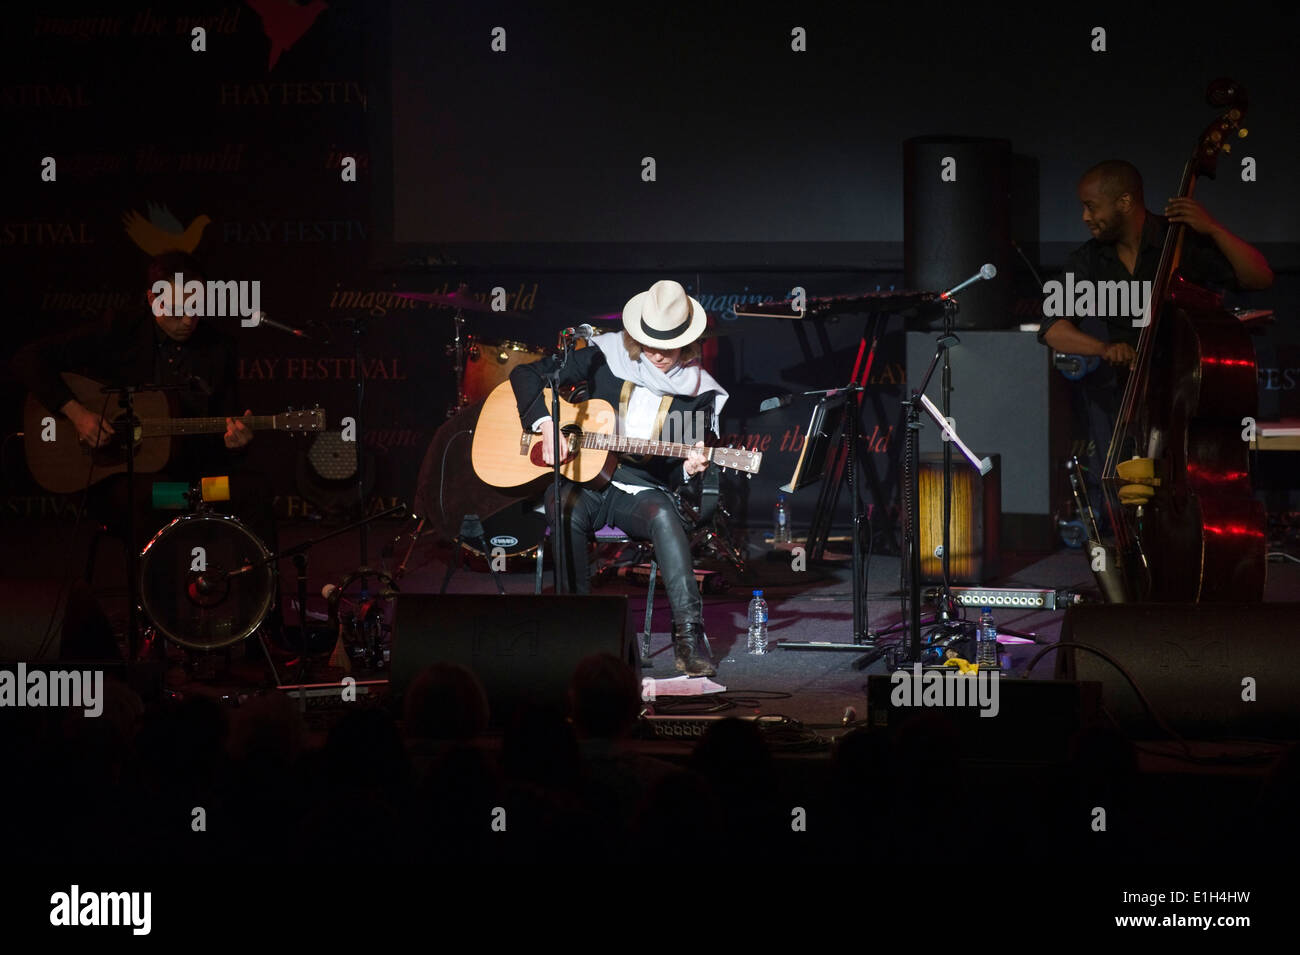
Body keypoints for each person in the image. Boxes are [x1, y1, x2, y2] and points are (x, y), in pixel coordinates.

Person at [13, 252, 277, 630]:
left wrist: (236, 442)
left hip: (196, 485)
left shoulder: (218, 348)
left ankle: (258, 627)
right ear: (152, 298)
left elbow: (225, 431)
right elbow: (26, 360)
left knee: (254, 491)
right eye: (177, 308)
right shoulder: (117, 331)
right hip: (129, 484)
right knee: (149, 497)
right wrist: (76, 412)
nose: (189, 319)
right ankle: (163, 629)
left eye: (198, 306)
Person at [509, 280, 728, 677]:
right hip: (584, 478)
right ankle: (578, 628)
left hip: (640, 489)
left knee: (664, 518)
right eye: (649, 343)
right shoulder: (602, 356)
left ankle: (689, 637)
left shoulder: (697, 392)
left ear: (687, 342)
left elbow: (675, 469)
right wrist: (545, 424)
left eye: (668, 345)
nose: (658, 355)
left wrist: (689, 468)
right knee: (562, 506)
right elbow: (525, 376)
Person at [1038, 159, 1274, 519]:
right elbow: (1053, 329)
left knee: (1187, 486)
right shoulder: (1088, 260)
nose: (1085, 217)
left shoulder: (1179, 242)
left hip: (1184, 392)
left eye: (1091, 206)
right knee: (1120, 491)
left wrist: (1213, 229)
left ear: (1125, 202)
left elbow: (1259, 277)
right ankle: (1130, 564)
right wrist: (1104, 348)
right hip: (1123, 396)